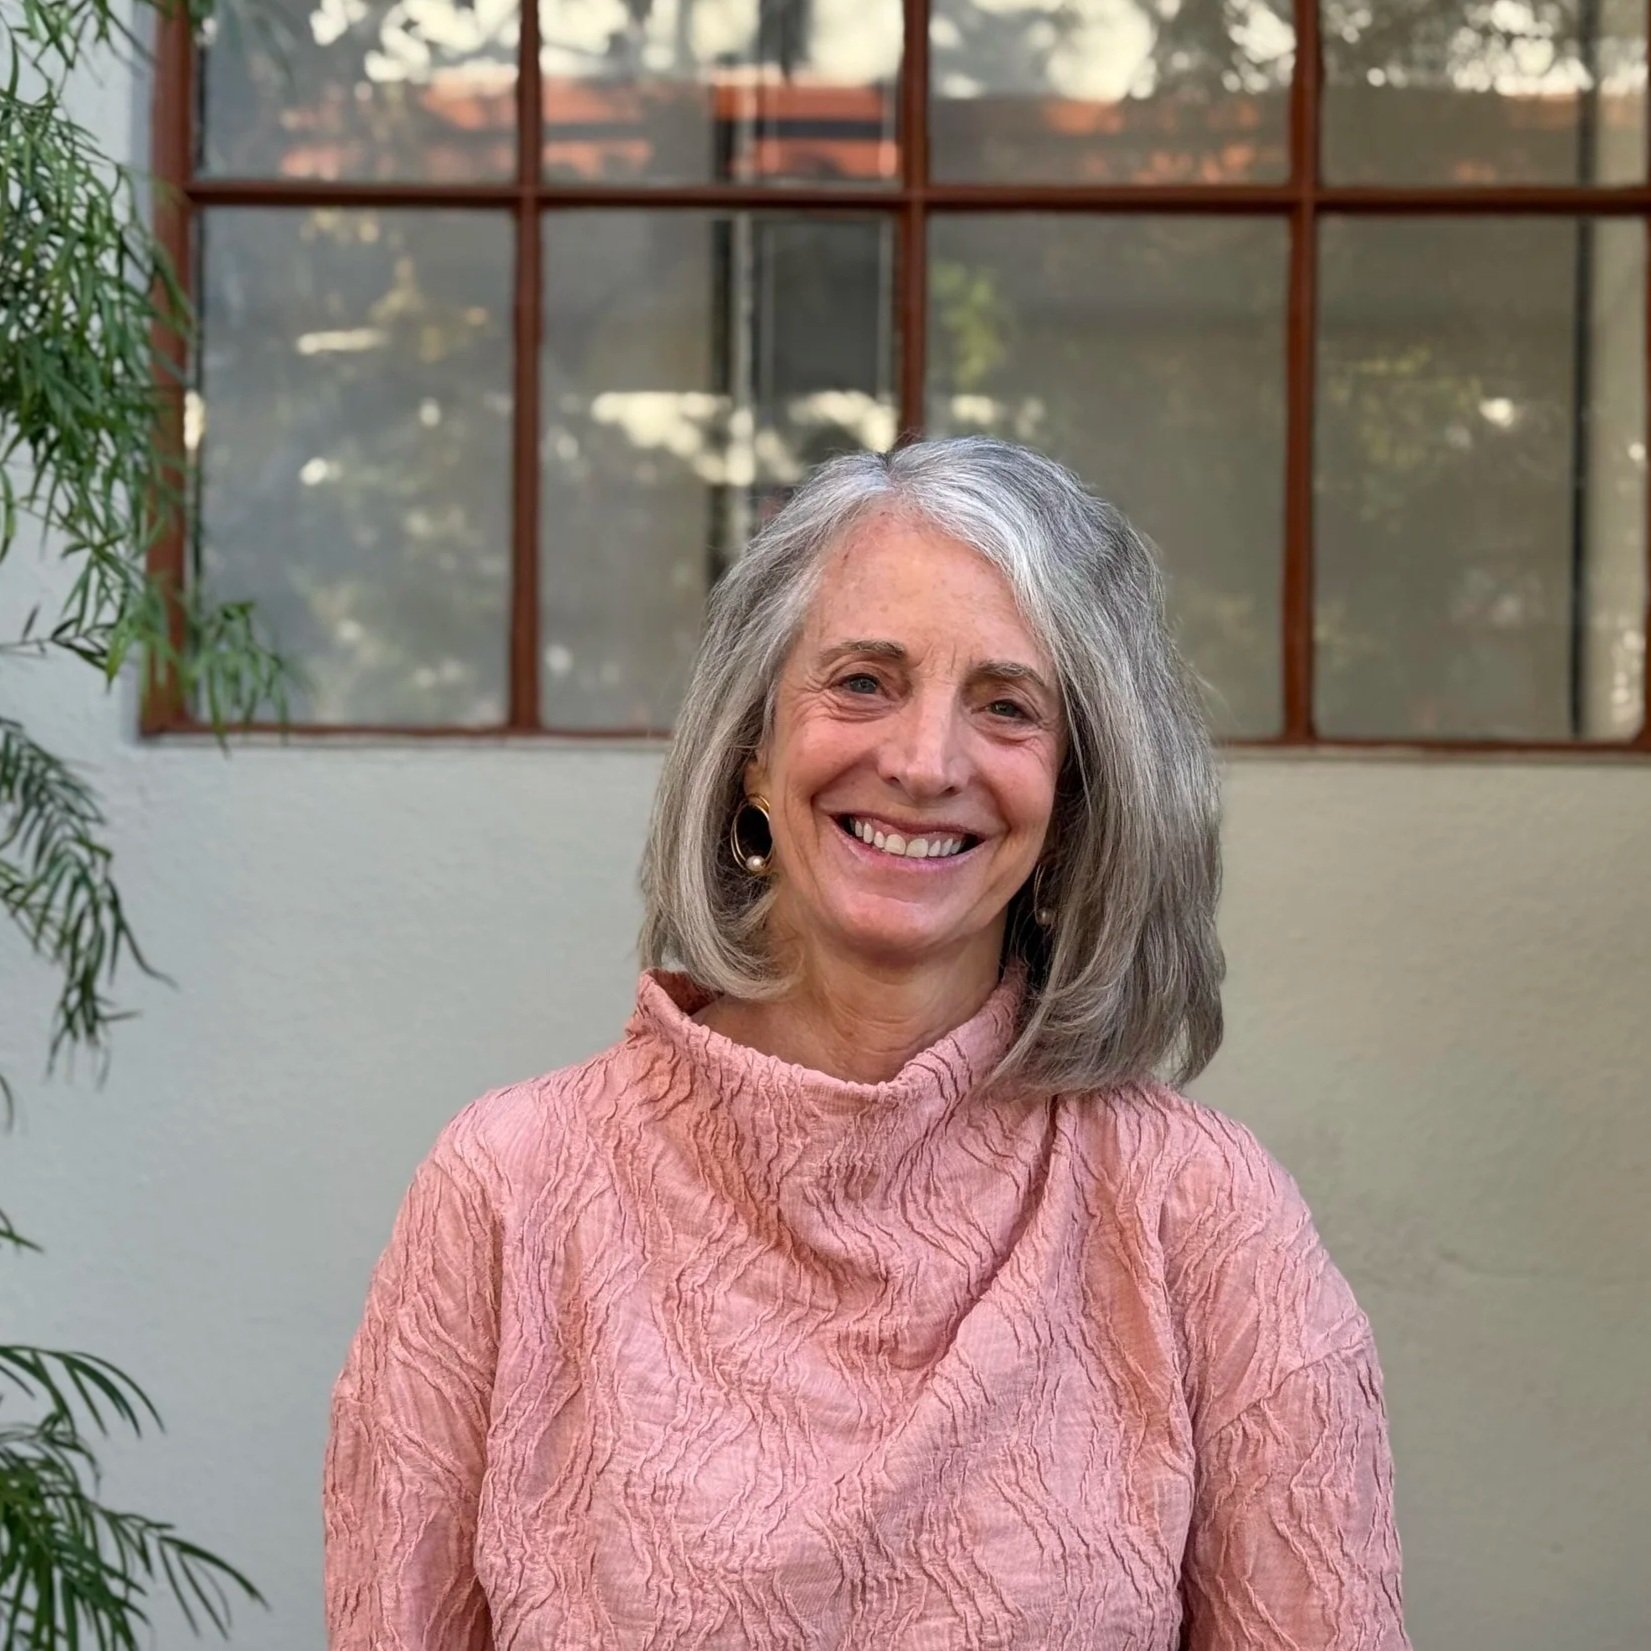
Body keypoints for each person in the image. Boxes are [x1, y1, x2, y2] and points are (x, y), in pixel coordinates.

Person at [322, 435, 1412, 1649]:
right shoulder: (508, 1193)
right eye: (862, 682)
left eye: (1006, 706)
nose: (922, 762)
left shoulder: (1200, 1216)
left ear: (1073, 805)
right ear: (750, 750)